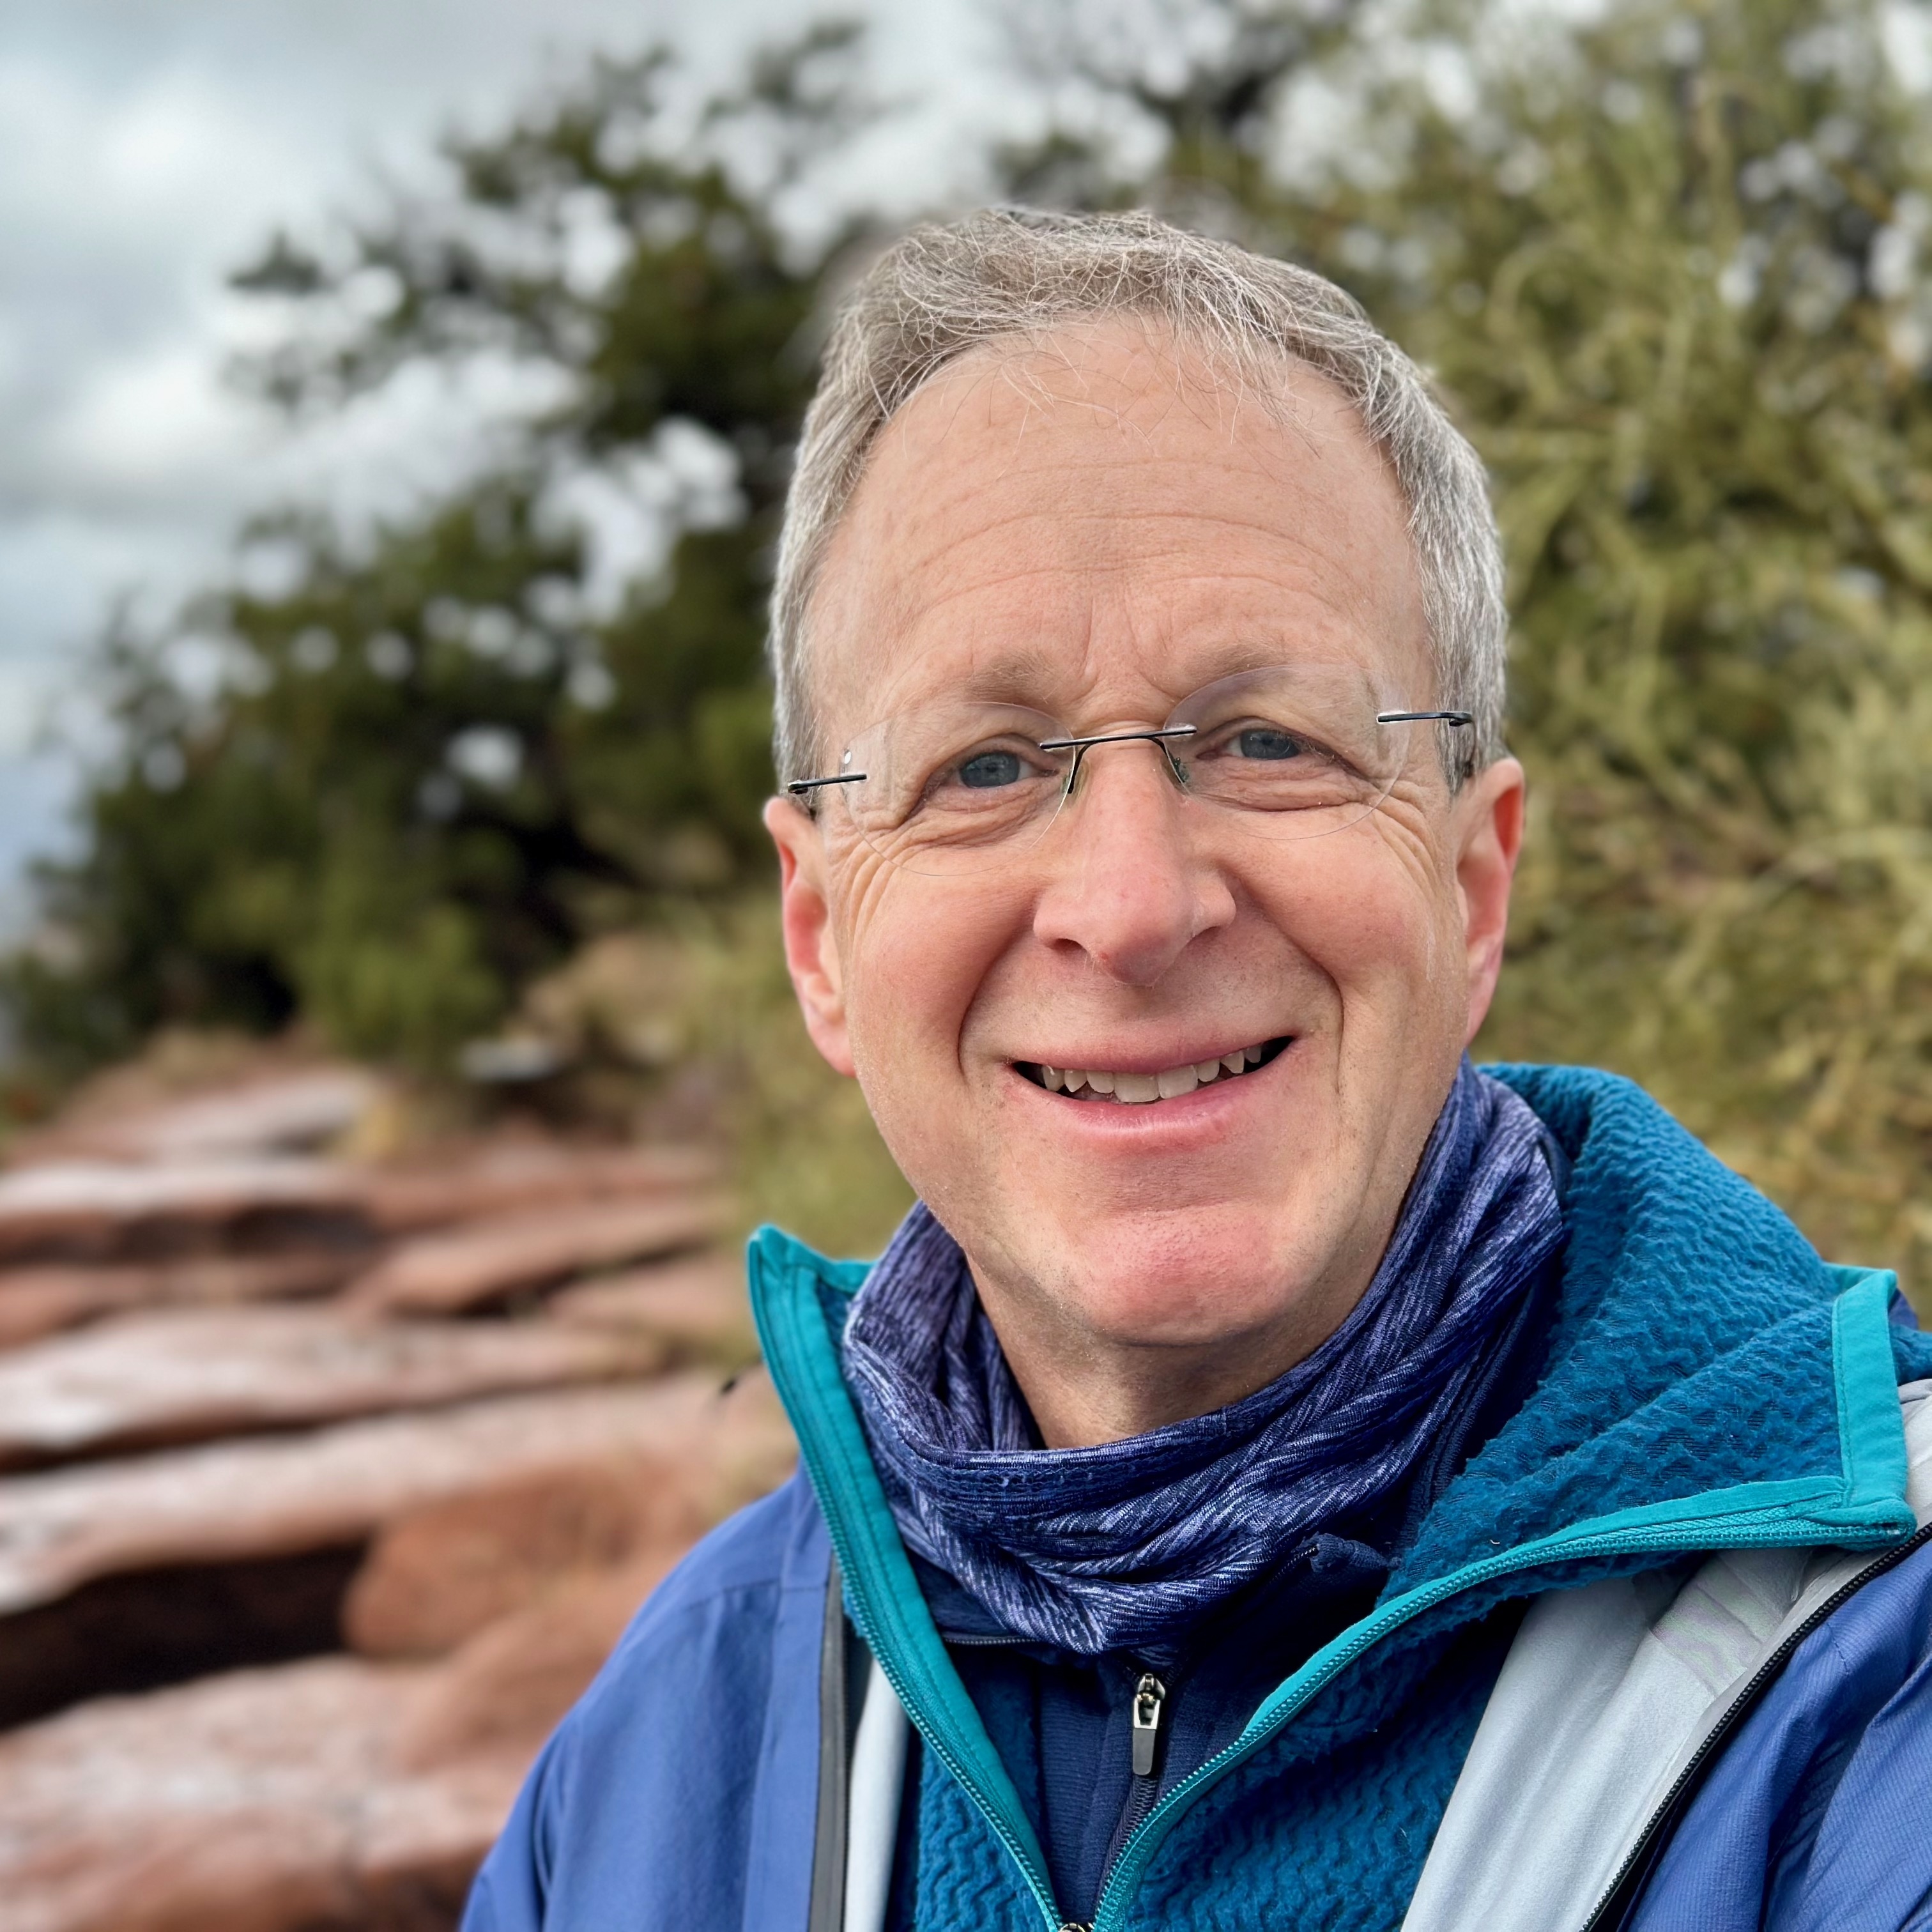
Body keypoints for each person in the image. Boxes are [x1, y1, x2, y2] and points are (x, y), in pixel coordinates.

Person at [463, 208, 1932, 1932]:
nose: (1132, 906)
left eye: (1264, 740)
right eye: (987, 763)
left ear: (1472, 887)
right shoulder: (675, 1736)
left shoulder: (1875, 1680)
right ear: (819, 942)